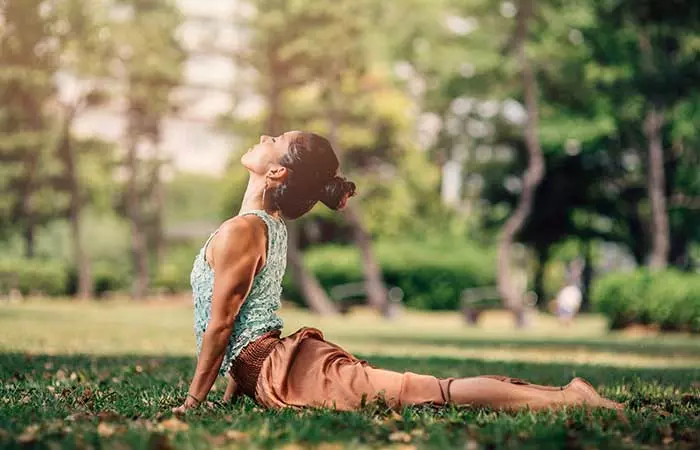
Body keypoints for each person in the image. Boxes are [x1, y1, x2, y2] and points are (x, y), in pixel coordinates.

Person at [173, 131, 622, 414]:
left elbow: (224, 325)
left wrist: (193, 403)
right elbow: (251, 317)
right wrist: (236, 394)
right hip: (282, 366)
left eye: (276, 140)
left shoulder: (244, 231)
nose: (266, 135)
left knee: (434, 391)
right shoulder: (257, 226)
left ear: (275, 170)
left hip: (289, 371)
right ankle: (566, 396)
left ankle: (568, 398)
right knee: (427, 389)